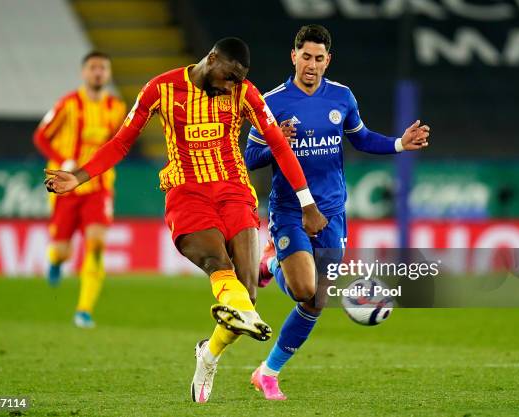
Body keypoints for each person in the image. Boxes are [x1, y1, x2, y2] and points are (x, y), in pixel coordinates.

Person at [43, 37, 328, 403]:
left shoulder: (244, 93)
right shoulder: (160, 89)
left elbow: (278, 144)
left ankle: (207, 355)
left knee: (246, 299)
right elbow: (121, 141)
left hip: (234, 191)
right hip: (187, 192)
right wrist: (80, 176)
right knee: (216, 264)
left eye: (238, 80)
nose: (231, 86)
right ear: (211, 60)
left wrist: (307, 203)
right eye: (228, 77)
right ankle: (218, 335)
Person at [245, 24, 430, 400]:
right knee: (303, 289)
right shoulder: (271, 101)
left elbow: (360, 138)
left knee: (317, 301)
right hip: (290, 209)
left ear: (327, 60)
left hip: (332, 212)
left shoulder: (342, 97)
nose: (311, 65)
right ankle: (274, 263)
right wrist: (276, 141)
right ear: (293, 56)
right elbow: (250, 157)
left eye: (319, 58)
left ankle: (267, 372)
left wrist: (398, 143)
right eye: (305, 57)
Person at [33, 51, 126, 329]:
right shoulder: (67, 104)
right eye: (93, 67)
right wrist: (63, 161)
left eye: (102, 68)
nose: (98, 72)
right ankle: (55, 260)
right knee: (62, 251)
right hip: (65, 188)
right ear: (84, 73)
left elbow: (117, 144)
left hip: (99, 187)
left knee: (96, 245)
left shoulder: (117, 108)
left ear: (108, 74)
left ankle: (84, 309)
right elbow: (41, 136)